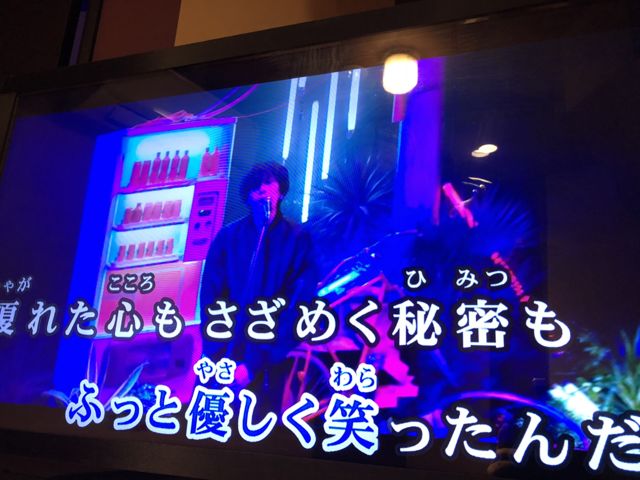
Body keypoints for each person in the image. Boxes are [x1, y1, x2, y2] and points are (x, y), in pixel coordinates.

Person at [199, 162, 318, 407]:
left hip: (273, 358)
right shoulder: (228, 237)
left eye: (268, 183)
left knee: (264, 418)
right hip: (226, 355)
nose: (261, 189)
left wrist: (255, 363)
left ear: (281, 191)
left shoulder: (298, 238)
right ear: (247, 196)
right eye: (255, 185)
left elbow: (299, 302)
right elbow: (211, 296)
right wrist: (217, 354)